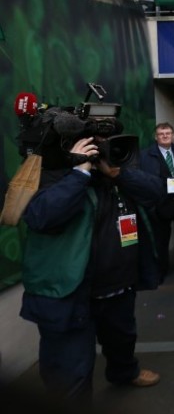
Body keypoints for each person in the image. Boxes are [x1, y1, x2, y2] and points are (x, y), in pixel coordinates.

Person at [20, 135, 164, 408]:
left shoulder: (115, 173)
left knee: (122, 339)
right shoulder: (50, 172)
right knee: (69, 372)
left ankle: (124, 372)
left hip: (119, 287)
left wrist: (118, 174)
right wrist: (78, 172)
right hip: (72, 295)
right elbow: (41, 215)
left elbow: (156, 191)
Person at [140, 122, 174, 281]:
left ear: (173, 135)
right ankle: (161, 272)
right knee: (161, 241)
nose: (165, 136)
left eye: (168, 133)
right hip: (161, 204)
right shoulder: (145, 156)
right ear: (156, 137)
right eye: (161, 134)